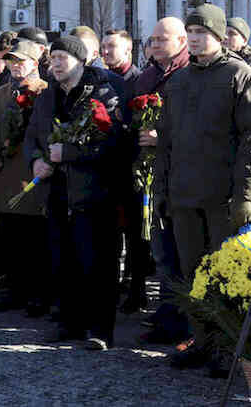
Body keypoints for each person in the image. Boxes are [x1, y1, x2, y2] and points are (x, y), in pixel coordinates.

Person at [155, 4, 251, 368]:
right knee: (194, 274)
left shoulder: (242, 77)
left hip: (223, 197)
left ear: (219, 36)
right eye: (190, 32)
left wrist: (245, 196)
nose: (194, 38)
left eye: (202, 32)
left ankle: (228, 351)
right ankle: (202, 341)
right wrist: (161, 191)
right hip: (184, 195)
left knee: (226, 275)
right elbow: (166, 144)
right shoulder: (178, 81)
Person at [25, 35, 121, 351]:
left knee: (97, 263)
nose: (54, 65)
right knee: (62, 260)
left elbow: (112, 144)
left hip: (95, 194)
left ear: (80, 61)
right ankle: (69, 322)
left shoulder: (104, 92)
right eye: (52, 59)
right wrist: (36, 160)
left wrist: (68, 154)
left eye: (61, 58)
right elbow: (33, 136)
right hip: (58, 193)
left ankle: (99, 329)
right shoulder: (47, 96)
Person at [134, 16, 190, 345]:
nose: (155, 44)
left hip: (181, 176)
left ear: (181, 41)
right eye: (153, 39)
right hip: (152, 176)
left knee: (179, 251)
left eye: (162, 39)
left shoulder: (188, 75)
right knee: (161, 250)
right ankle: (166, 317)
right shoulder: (149, 77)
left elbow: (197, 128)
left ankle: (182, 322)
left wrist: (162, 137)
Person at [0, 40, 49, 315]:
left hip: (31, 174)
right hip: (5, 173)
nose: (14, 65)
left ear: (34, 63)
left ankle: (37, 294)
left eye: (20, 61)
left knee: (34, 239)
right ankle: (13, 290)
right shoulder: (1, 93)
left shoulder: (45, 91)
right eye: (11, 60)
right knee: (9, 238)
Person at [102, 28, 147, 313]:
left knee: (135, 235)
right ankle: (115, 285)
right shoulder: (100, 78)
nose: (106, 51)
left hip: (132, 167)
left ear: (128, 51)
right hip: (109, 167)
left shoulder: (138, 81)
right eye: (104, 46)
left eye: (112, 47)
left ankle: (137, 288)